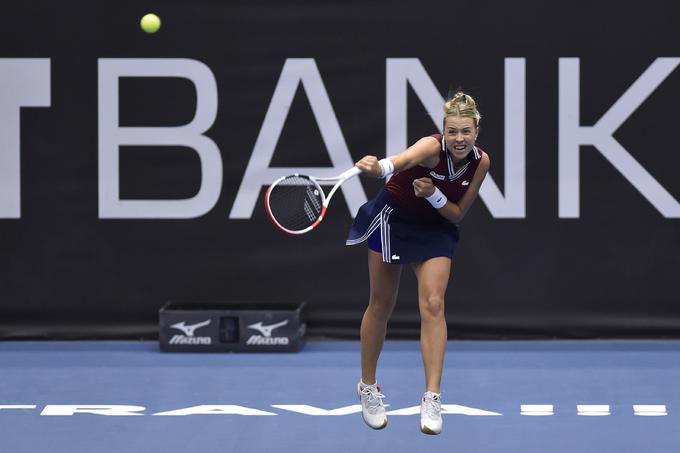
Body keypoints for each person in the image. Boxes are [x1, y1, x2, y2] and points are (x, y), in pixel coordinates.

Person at [346, 91, 490, 435]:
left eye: (466, 132)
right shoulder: (430, 147)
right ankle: (368, 387)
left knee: (434, 303)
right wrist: (379, 167)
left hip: (435, 226)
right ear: (443, 130)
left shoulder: (480, 163)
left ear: (476, 132)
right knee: (381, 303)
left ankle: (432, 397)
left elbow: (456, 214)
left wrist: (434, 195)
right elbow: (399, 161)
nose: (459, 139)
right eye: (452, 131)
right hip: (394, 218)